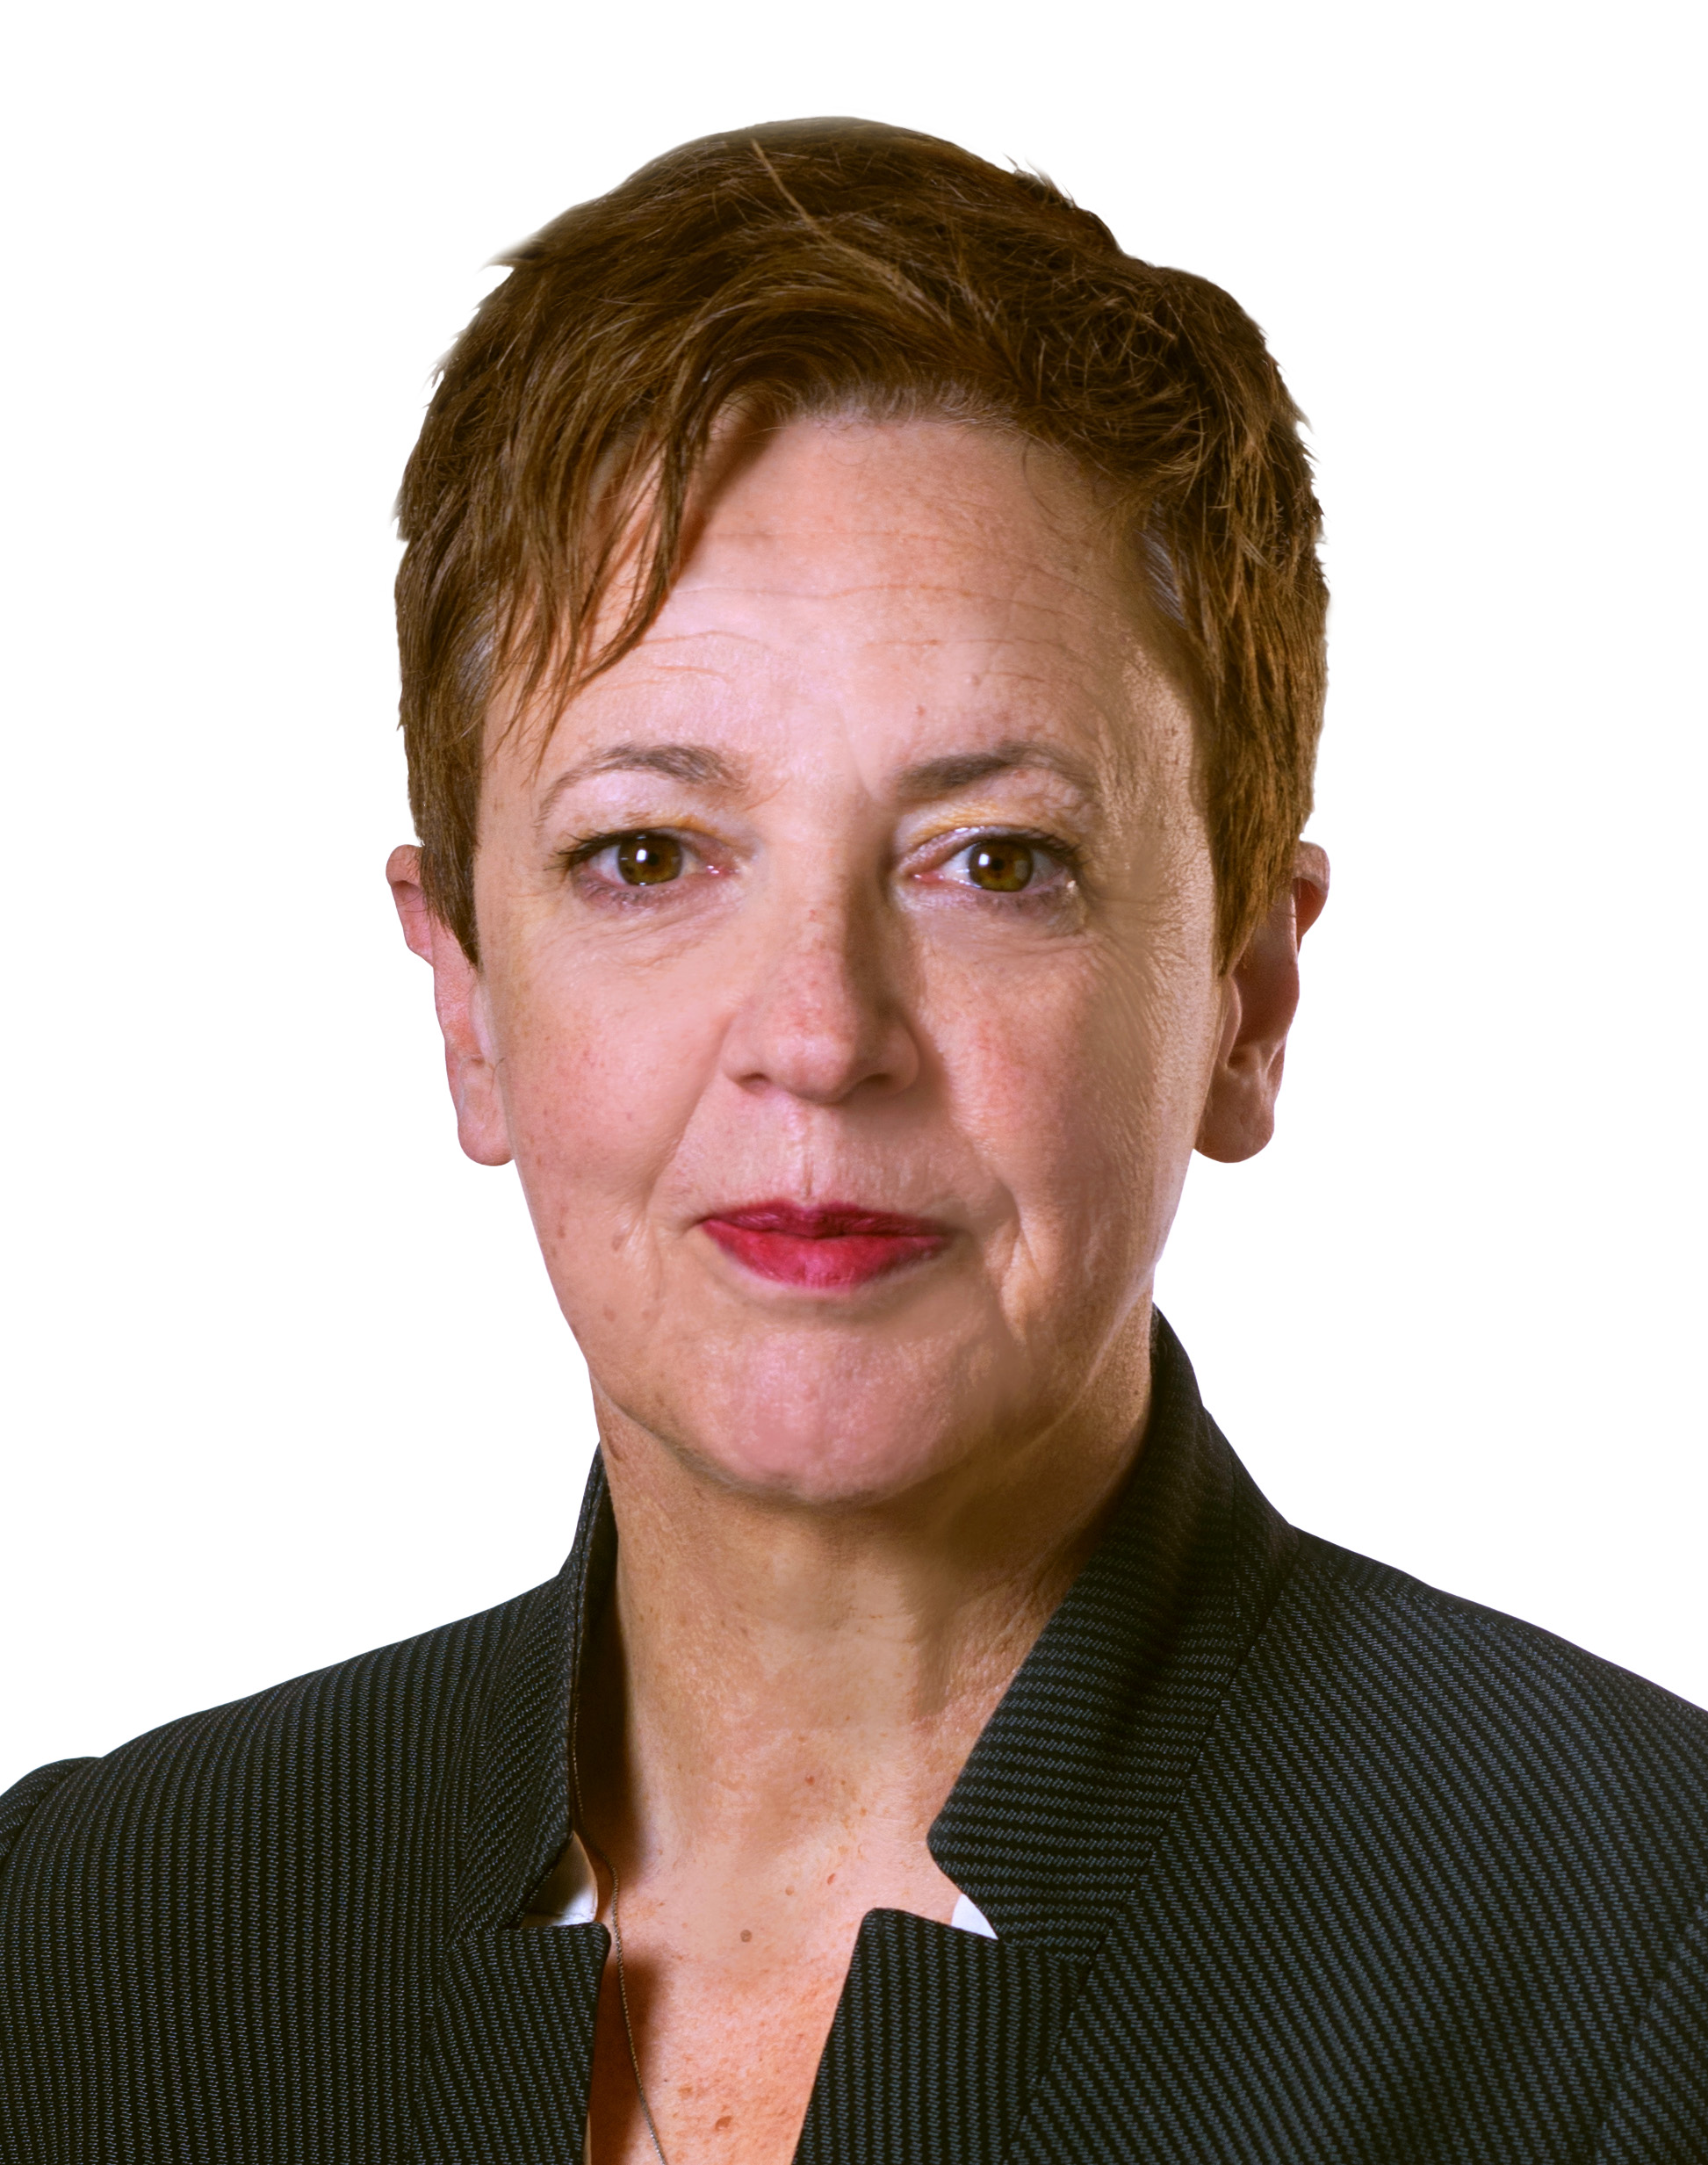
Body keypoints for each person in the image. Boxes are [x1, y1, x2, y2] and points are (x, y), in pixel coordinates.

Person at [2, 117, 1704, 2165]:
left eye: (995, 859)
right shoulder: (88, 1943)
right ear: (466, 1002)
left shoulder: (1635, 1962)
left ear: (1245, 1000)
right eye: (646, 853)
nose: (817, 1037)